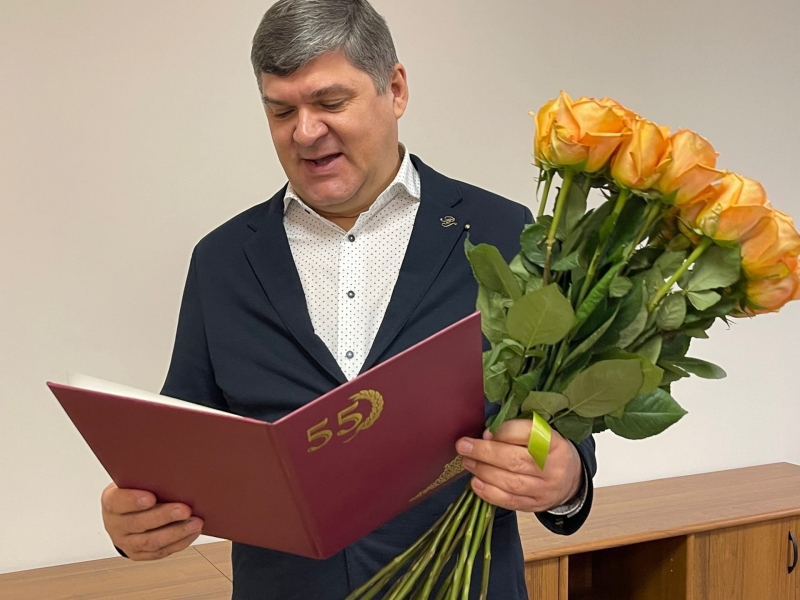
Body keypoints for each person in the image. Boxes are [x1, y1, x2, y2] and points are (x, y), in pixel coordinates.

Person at [100, 1, 596, 598]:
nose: (305, 132)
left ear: (395, 89)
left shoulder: (504, 232)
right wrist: (133, 519)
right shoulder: (221, 260)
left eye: (330, 103)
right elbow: (182, 446)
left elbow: (552, 418)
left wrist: (565, 478)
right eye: (281, 111)